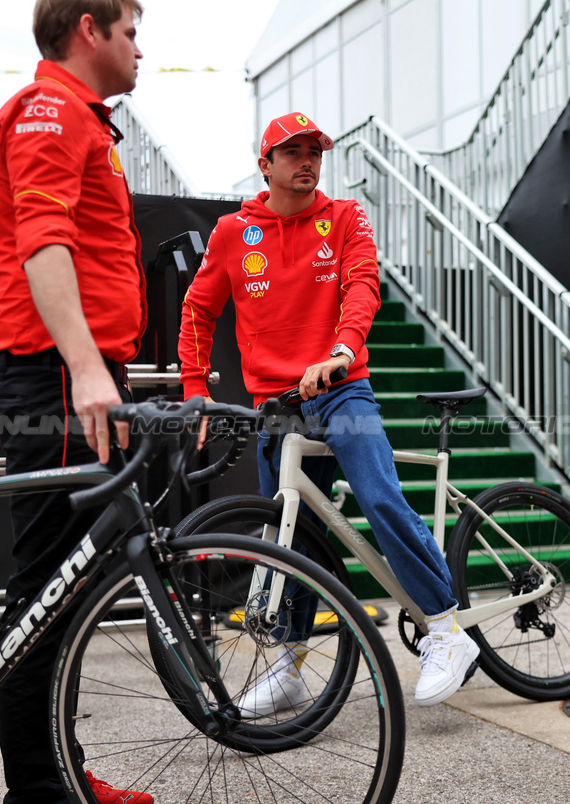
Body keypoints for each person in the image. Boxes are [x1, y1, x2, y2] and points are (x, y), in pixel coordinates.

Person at [179, 111, 479, 710]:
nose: (307, 160)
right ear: (265, 165)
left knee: (378, 494)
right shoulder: (233, 232)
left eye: (314, 150)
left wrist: (340, 353)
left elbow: (363, 285)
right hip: (278, 402)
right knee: (291, 532)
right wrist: (195, 390)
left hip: (342, 388)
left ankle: (446, 630)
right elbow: (197, 309)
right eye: (292, 152)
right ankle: (288, 665)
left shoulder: (344, 217)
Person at [0, 1, 153, 804]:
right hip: (53, 373)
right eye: (129, 32)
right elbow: (44, 243)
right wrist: (84, 366)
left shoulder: (83, 120)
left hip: (74, 369)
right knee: (42, 594)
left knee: (67, 591)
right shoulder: (48, 113)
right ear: (90, 28)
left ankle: (58, 770)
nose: (139, 48)